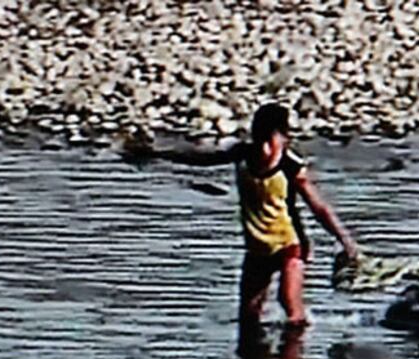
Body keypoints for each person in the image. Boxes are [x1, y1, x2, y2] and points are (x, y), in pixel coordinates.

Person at [129, 103, 358, 333]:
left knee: (290, 308)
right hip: (257, 248)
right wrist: (156, 152)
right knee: (248, 317)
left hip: (290, 245)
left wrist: (346, 242)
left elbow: (319, 208)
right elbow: (200, 158)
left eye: (277, 137)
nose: (269, 144)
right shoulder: (242, 154)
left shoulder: (291, 166)